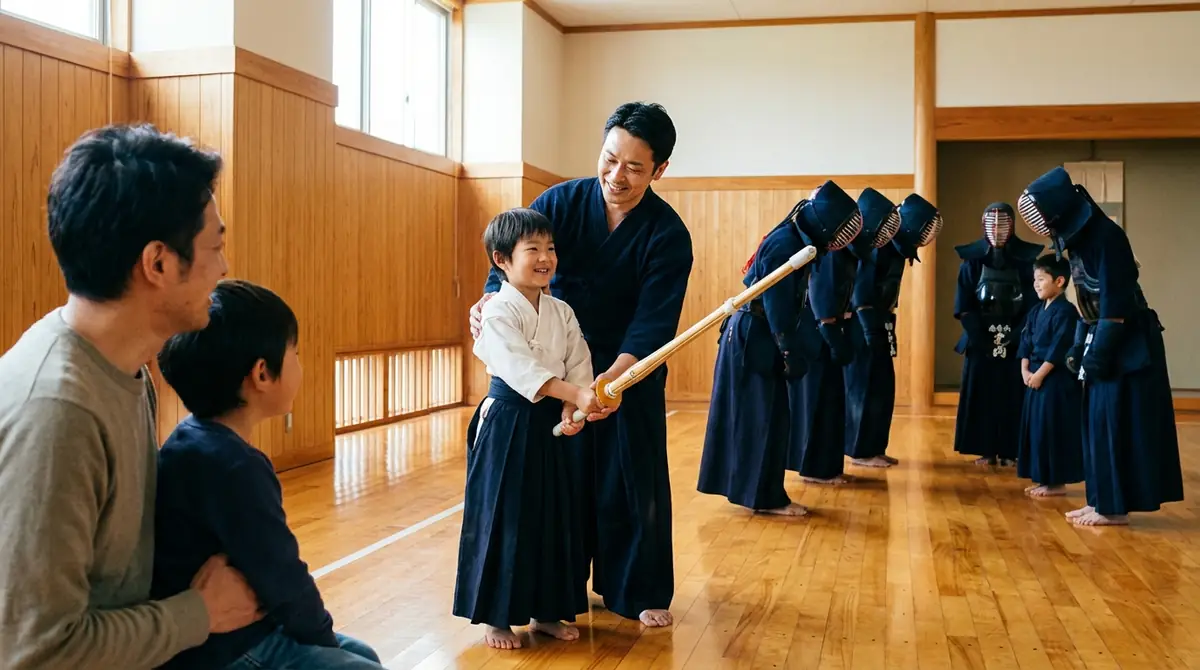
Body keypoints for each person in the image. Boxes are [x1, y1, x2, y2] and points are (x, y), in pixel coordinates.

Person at [0, 124, 262, 670]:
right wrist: (200, 612)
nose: (223, 267)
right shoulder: (58, 413)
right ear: (159, 264)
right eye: (215, 245)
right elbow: (35, 652)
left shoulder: (122, 368)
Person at [468, 102, 692, 628]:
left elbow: (654, 320)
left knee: (631, 480)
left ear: (659, 171)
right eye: (610, 159)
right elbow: (510, 262)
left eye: (635, 167)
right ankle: (556, 592)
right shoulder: (561, 202)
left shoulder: (667, 234)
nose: (617, 176)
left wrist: (611, 380)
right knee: (557, 484)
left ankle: (636, 587)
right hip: (553, 367)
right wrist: (488, 302)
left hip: (626, 369)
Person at [151, 279, 384, 669]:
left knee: (362, 655)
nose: (299, 361)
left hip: (218, 636)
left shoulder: (190, 439)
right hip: (227, 650)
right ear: (262, 374)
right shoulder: (235, 465)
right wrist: (323, 640)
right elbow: (284, 578)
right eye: (294, 351)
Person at [454, 208, 601, 649]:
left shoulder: (561, 311)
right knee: (506, 515)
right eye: (532, 249)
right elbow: (519, 370)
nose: (545, 257)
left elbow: (578, 361)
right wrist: (572, 397)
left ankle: (547, 610)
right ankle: (497, 617)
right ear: (501, 259)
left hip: (548, 422)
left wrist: (572, 408)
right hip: (507, 421)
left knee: (552, 514)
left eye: (550, 248)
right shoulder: (496, 311)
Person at [1017, 166, 1183, 527]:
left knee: (1115, 423)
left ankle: (1113, 507)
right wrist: (1081, 349)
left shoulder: (1106, 237)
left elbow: (1115, 307)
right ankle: (1100, 500)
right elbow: (1086, 307)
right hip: (1102, 335)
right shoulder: (1080, 242)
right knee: (1095, 423)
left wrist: (1098, 356)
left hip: (1128, 342)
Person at [696, 181, 862, 516]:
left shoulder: (795, 238)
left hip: (758, 332)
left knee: (770, 417)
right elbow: (776, 303)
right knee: (760, 417)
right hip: (753, 335)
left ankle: (764, 493)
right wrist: (788, 349)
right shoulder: (785, 242)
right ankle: (764, 498)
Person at [951, 203, 1043, 467]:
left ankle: (1011, 450)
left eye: (1003, 224)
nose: (997, 230)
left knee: (1013, 394)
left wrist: (1016, 335)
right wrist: (981, 338)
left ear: (1013, 226)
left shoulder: (1026, 261)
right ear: (983, 225)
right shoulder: (972, 261)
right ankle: (985, 449)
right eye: (992, 224)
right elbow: (964, 305)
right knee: (982, 394)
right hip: (980, 339)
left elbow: (1032, 302)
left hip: (1017, 336)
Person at [784, 183, 864, 485]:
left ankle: (826, 467)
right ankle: (815, 469)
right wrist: (831, 332)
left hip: (828, 333)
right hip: (817, 337)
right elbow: (820, 298)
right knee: (817, 406)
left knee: (830, 405)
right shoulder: (827, 253)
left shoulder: (841, 252)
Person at [1016, 254, 1085, 498]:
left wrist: (1040, 374)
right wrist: (1025, 370)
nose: (1036, 284)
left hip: (1055, 381)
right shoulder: (1036, 310)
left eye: (1041, 279)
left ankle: (1056, 482)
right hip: (1034, 378)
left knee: (1052, 429)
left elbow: (1059, 348)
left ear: (1059, 281)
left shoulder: (1066, 312)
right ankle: (1043, 478)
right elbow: (1025, 341)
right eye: (1035, 279)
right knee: (1037, 429)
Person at [843, 188, 902, 468]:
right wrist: (869, 331)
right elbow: (860, 295)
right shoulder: (866, 252)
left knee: (882, 387)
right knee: (862, 388)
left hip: (881, 321)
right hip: (861, 325)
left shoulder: (889, 249)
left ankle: (875, 446)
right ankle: (859, 450)